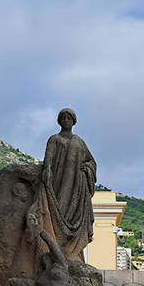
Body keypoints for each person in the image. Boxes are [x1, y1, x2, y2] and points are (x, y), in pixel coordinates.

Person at [26, 108, 96, 263]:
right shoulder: (54, 139)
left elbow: (91, 161)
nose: (65, 120)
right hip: (58, 183)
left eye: (68, 118)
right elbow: (48, 160)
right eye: (63, 118)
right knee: (56, 210)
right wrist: (47, 170)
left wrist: (87, 168)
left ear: (73, 121)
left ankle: (71, 251)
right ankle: (55, 246)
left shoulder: (79, 142)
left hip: (76, 186)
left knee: (73, 214)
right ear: (59, 121)